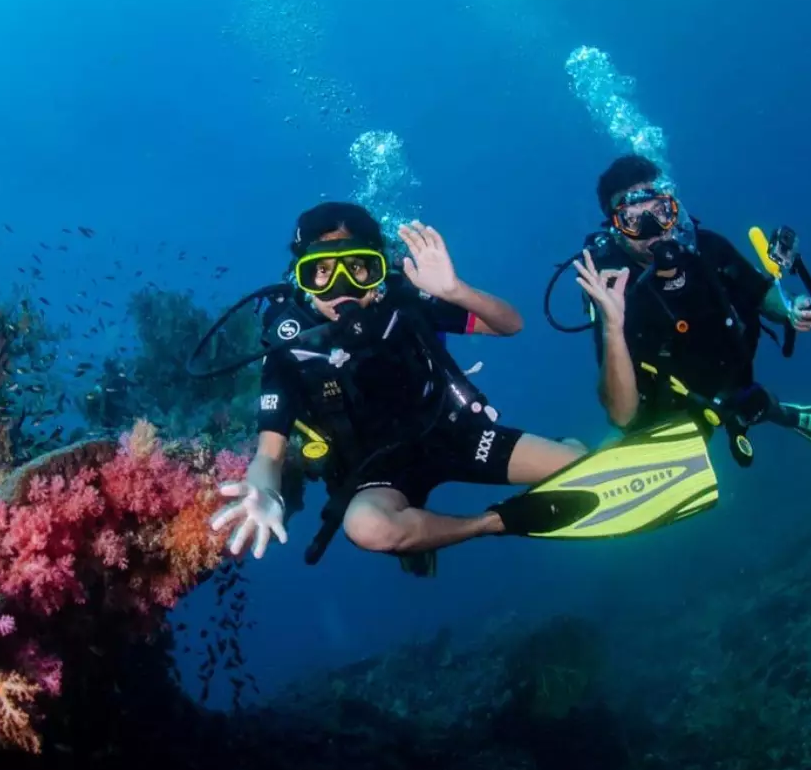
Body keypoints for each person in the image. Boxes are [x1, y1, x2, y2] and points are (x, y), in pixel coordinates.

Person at [207, 202, 718, 568]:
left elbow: (511, 323)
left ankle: (561, 455)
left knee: (580, 468)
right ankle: (489, 524)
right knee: (368, 528)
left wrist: (453, 290)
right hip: (374, 471)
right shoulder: (290, 348)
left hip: (455, 433)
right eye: (320, 272)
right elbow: (270, 453)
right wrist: (264, 491)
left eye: (359, 268)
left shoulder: (407, 301)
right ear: (298, 278)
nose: (341, 287)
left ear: (380, 272)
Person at [572, 155, 811, 461]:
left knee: (751, 404)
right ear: (616, 229)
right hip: (667, 413)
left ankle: (776, 412)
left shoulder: (708, 248)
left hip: (734, 384)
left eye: (660, 211)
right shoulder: (614, 290)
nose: (653, 229)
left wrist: (789, 308)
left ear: (673, 208)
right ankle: (579, 449)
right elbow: (622, 415)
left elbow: (760, 292)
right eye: (633, 220)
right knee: (639, 440)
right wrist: (612, 326)